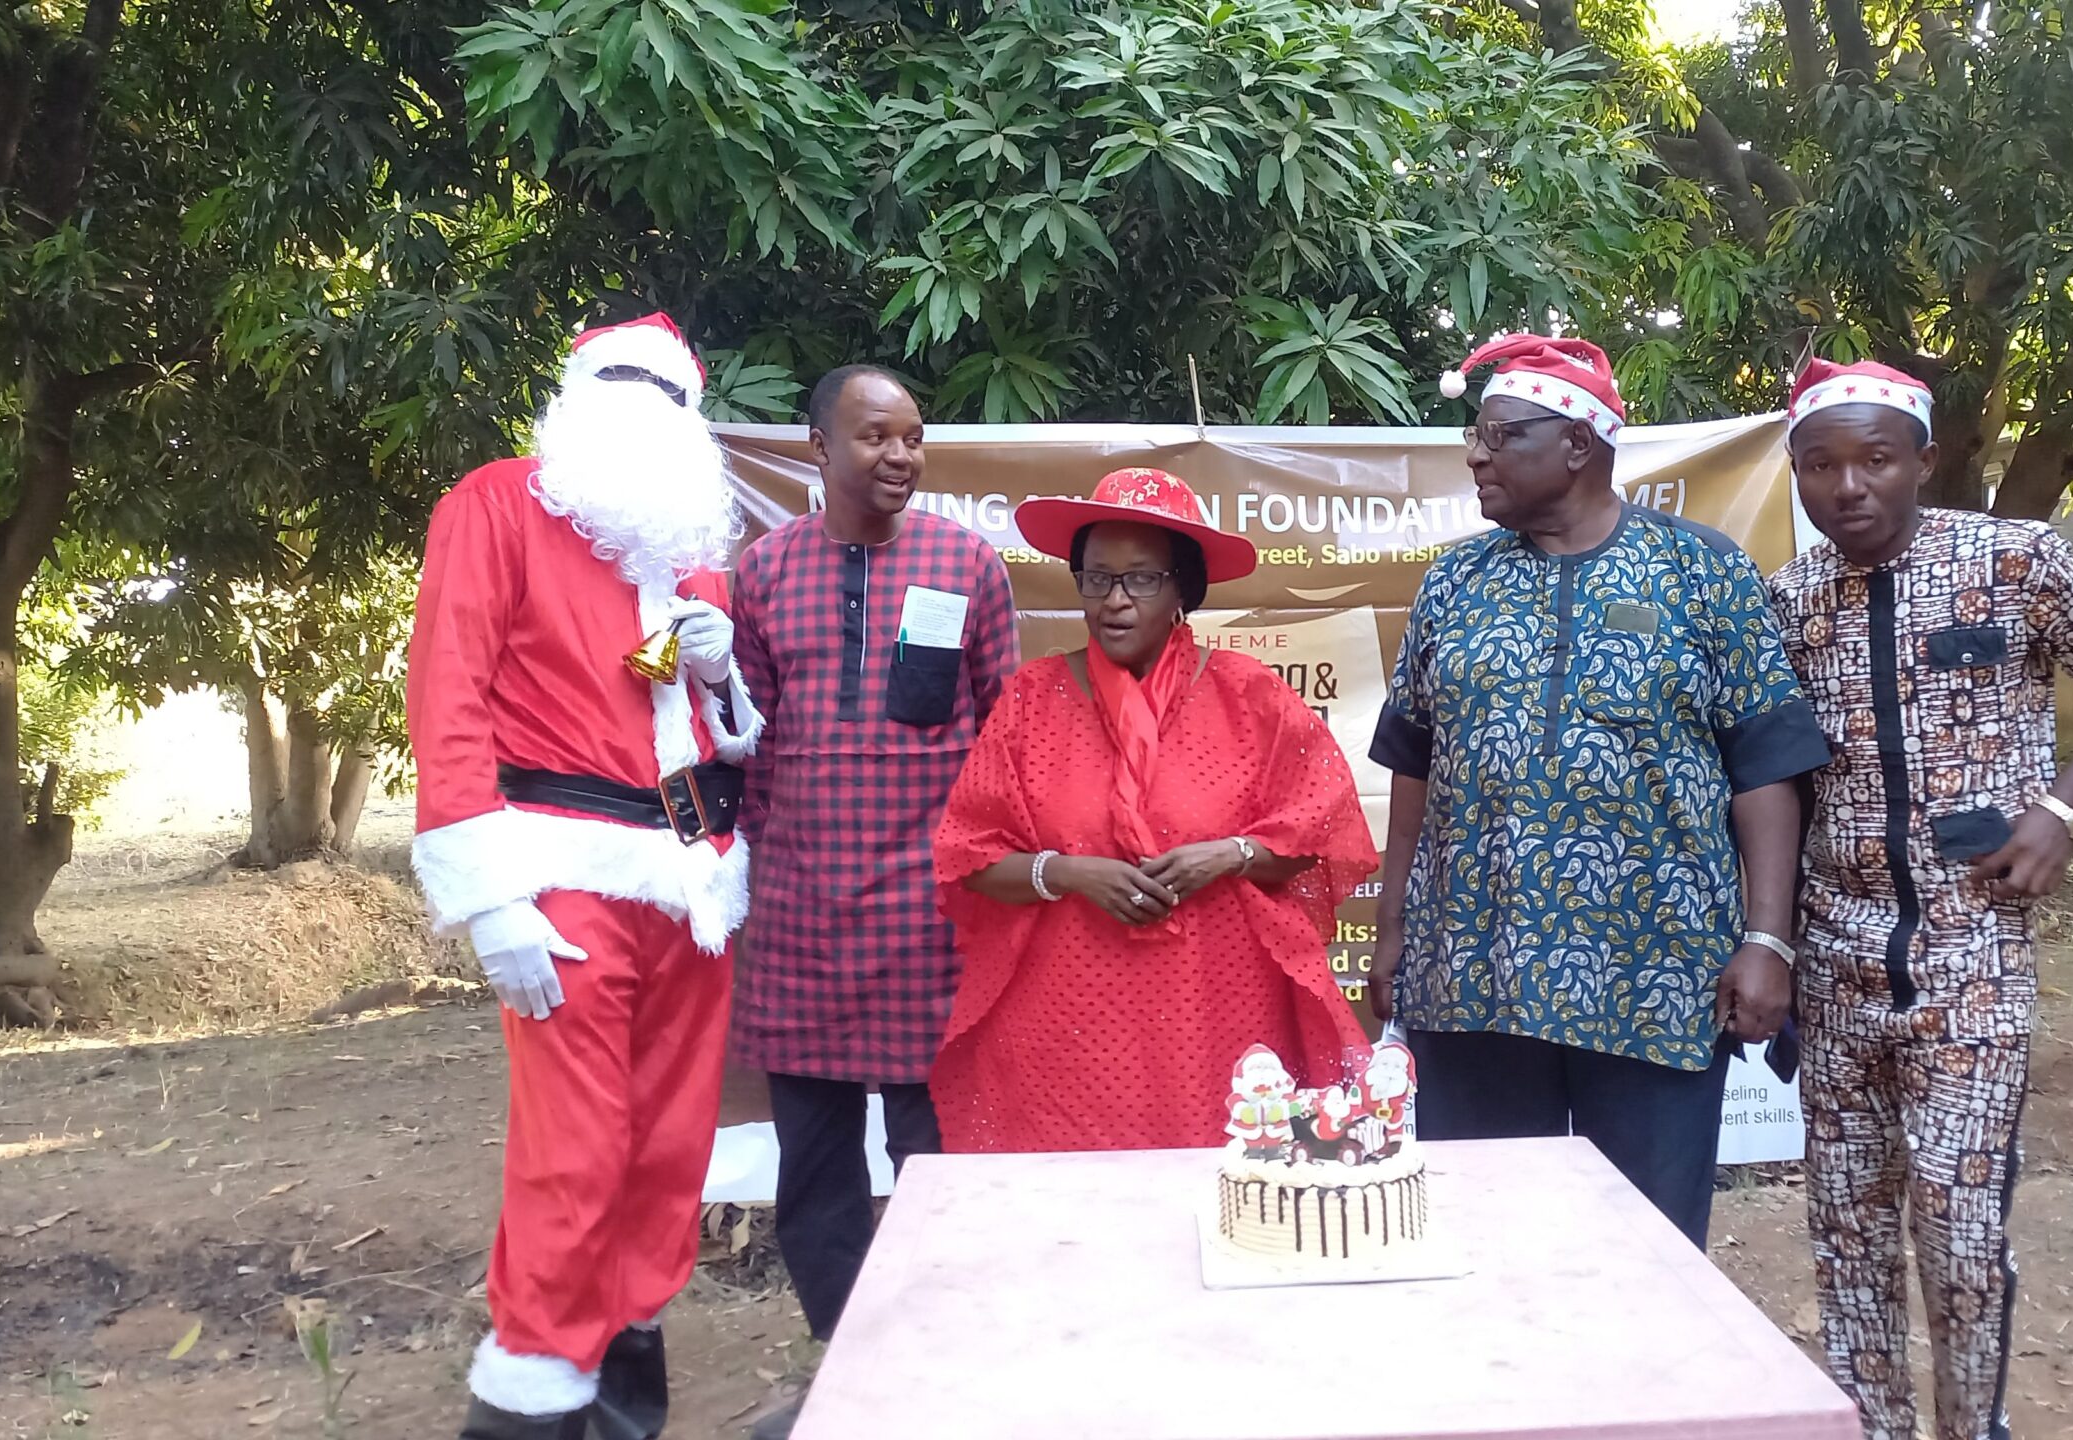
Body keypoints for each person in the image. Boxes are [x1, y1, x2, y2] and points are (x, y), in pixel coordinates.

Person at [1768, 358, 2073, 1440]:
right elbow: (1774, 780)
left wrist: (2062, 809)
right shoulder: (1788, 600)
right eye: (1820, 466)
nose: (1848, 485)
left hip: (1972, 950)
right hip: (1836, 956)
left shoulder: (2012, 560)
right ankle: (1871, 1425)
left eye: (1874, 459)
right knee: (1846, 1228)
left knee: (1957, 1228)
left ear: (1924, 461)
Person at [1367, 333, 1830, 1248]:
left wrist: (1767, 940)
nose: (1476, 455)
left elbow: (1766, 768)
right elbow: (1413, 764)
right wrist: (1393, 931)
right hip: (1471, 980)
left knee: (1649, 1254)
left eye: (1501, 435)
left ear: (1578, 443)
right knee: (1486, 1244)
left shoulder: (1703, 571)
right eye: (1475, 435)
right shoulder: (1454, 582)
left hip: (1655, 980)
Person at [406, 312, 761, 1440]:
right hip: (562, 876)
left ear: (690, 420)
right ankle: (531, 1394)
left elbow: (711, 731)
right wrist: (491, 899)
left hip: (693, 883)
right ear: (574, 398)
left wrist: (724, 679)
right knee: (576, 1147)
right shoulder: (495, 505)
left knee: (670, 1146)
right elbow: (448, 696)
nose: (639, 408)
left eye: (665, 394)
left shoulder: (687, 549)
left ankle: (619, 1371)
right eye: (617, 383)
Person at [928, 468, 1378, 1151]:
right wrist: (1068, 872)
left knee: (1222, 1181)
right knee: (1073, 1194)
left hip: (1219, 1010)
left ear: (1181, 591)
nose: (1115, 600)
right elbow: (970, 858)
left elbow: (1317, 830)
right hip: (1065, 1022)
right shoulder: (1030, 700)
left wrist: (1229, 855)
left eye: (1140, 579)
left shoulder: (1248, 695)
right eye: (1097, 578)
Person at [726, 364, 1017, 1409]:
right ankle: (847, 1379)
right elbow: (747, 744)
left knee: (934, 1158)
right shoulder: (763, 574)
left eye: (912, 437)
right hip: (800, 911)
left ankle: (942, 1375)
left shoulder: (966, 564)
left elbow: (1003, 742)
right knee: (814, 1166)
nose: (900, 455)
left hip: (930, 915)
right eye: (875, 436)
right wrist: (752, 868)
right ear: (819, 447)